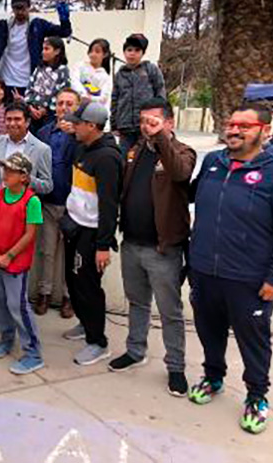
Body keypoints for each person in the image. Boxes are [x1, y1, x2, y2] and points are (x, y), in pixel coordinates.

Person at [188, 104, 273, 434]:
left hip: (249, 279)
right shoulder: (213, 163)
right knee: (209, 333)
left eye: (244, 126)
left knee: (254, 342)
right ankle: (213, 377)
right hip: (205, 272)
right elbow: (191, 199)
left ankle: (256, 396)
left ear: (265, 130)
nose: (234, 131)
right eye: (231, 124)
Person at [108, 98, 196, 398]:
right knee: (138, 303)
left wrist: (161, 139)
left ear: (169, 123)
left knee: (170, 312)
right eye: (144, 121)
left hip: (162, 250)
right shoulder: (135, 151)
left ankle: (176, 367)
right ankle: (135, 351)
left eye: (154, 121)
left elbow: (180, 174)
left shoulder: (182, 152)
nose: (147, 126)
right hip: (132, 244)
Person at [62, 103, 121, 365]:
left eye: (78, 123)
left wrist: (103, 245)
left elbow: (109, 206)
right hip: (75, 225)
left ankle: (98, 342)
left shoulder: (107, 158)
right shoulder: (82, 148)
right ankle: (86, 324)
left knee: (88, 286)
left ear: (93, 126)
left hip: (92, 232)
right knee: (73, 281)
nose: (73, 126)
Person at [0, 152, 44, 375]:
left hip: (14, 263)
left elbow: (30, 234)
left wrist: (9, 256)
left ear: (24, 176)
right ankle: (6, 339)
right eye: (4, 169)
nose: (5, 174)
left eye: (10, 171)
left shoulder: (32, 201)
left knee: (17, 305)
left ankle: (33, 353)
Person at [0, 0, 72, 100]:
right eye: (16, 8)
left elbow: (64, 32)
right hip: (5, 83)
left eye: (23, 8)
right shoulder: (3, 26)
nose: (20, 12)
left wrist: (64, 19)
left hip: (30, 83)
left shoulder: (38, 25)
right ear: (12, 9)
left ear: (29, 7)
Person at [33, 88, 80, 318]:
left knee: (70, 256)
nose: (64, 107)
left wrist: (75, 135)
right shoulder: (43, 133)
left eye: (69, 103)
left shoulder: (83, 135)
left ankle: (68, 297)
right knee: (47, 251)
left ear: (77, 107)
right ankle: (44, 293)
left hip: (74, 206)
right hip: (48, 203)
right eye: (60, 103)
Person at [0, 101, 53, 196]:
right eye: (8, 119)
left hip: (23, 207)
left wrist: (28, 179)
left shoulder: (41, 149)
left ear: (27, 122)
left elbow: (47, 186)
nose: (12, 123)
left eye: (17, 119)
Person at [111, 34, 166, 154]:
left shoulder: (151, 70)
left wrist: (159, 119)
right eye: (129, 50)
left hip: (146, 125)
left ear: (143, 53)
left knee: (144, 157)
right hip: (125, 126)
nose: (132, 53)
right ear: (124, 52)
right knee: (123, 158)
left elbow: (160, 95)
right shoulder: (120, 74)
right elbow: (115, 99)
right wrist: (114, 124)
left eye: (137, 50)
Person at [25, 36, 71, 132]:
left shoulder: (62, 70)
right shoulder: (39, 68)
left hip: (49, 116)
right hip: (32, 113)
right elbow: (30, 87)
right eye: (43, 49)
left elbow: (62, 93)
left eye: (47, 49)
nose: (43, 52)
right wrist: (30, 106)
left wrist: (45, 109)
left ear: (57, 51)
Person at [71, 38, 112, 110]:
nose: (93, 54)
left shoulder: (105, 77)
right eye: (91, 51)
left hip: (92, 109)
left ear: (105, 54)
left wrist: (91, 98)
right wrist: (83, 94)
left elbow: (104, 98)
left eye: (97, 51)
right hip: (75, 103)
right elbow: (74, 81)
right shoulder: (80, 65)